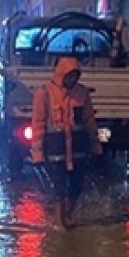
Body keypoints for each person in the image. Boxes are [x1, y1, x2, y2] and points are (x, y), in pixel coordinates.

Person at [30, 57, 102, 229]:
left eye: (75, 76)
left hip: (78, 148)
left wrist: (95, 144)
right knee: (58, 186)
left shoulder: (82, 93)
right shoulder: (44, 93)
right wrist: (37, 153)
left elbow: (89, 121)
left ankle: (68, 214)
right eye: (69, 76)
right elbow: (38, 124)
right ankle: (60, 220)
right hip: (55, 148)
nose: (72, 80)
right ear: (61, 74)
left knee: (77, 185)